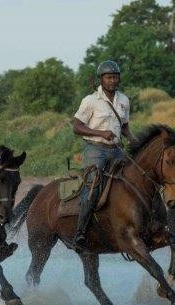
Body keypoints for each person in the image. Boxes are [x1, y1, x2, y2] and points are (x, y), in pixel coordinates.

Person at [71, 60, 137, 251]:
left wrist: (134, 140)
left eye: (115, 77)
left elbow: (124, 126)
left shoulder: (124, 100)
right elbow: (77, 126)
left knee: (136, 177)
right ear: (101, 79)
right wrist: (100, 133)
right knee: (93, 185)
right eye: (108, 77)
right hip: (95, 149)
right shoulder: (90, 100)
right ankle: (80, 234)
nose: (112, 80)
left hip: (116, 148)